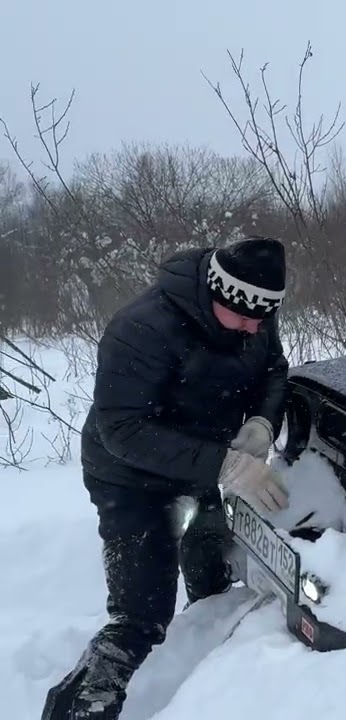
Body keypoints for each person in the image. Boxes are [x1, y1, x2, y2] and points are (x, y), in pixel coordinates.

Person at [42, 236, 294, 720]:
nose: (254, 328)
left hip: (200, 466)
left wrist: (263, 422)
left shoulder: (254, 310)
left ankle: (211, 678)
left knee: (214, 581)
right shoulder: (142, 328)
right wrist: (226, 465)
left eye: (264, 318)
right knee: (140, 614)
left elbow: (273, 370)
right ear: (218, 294)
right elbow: (122, 428)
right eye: (244, 317)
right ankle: (79, 708)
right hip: (130, 478)